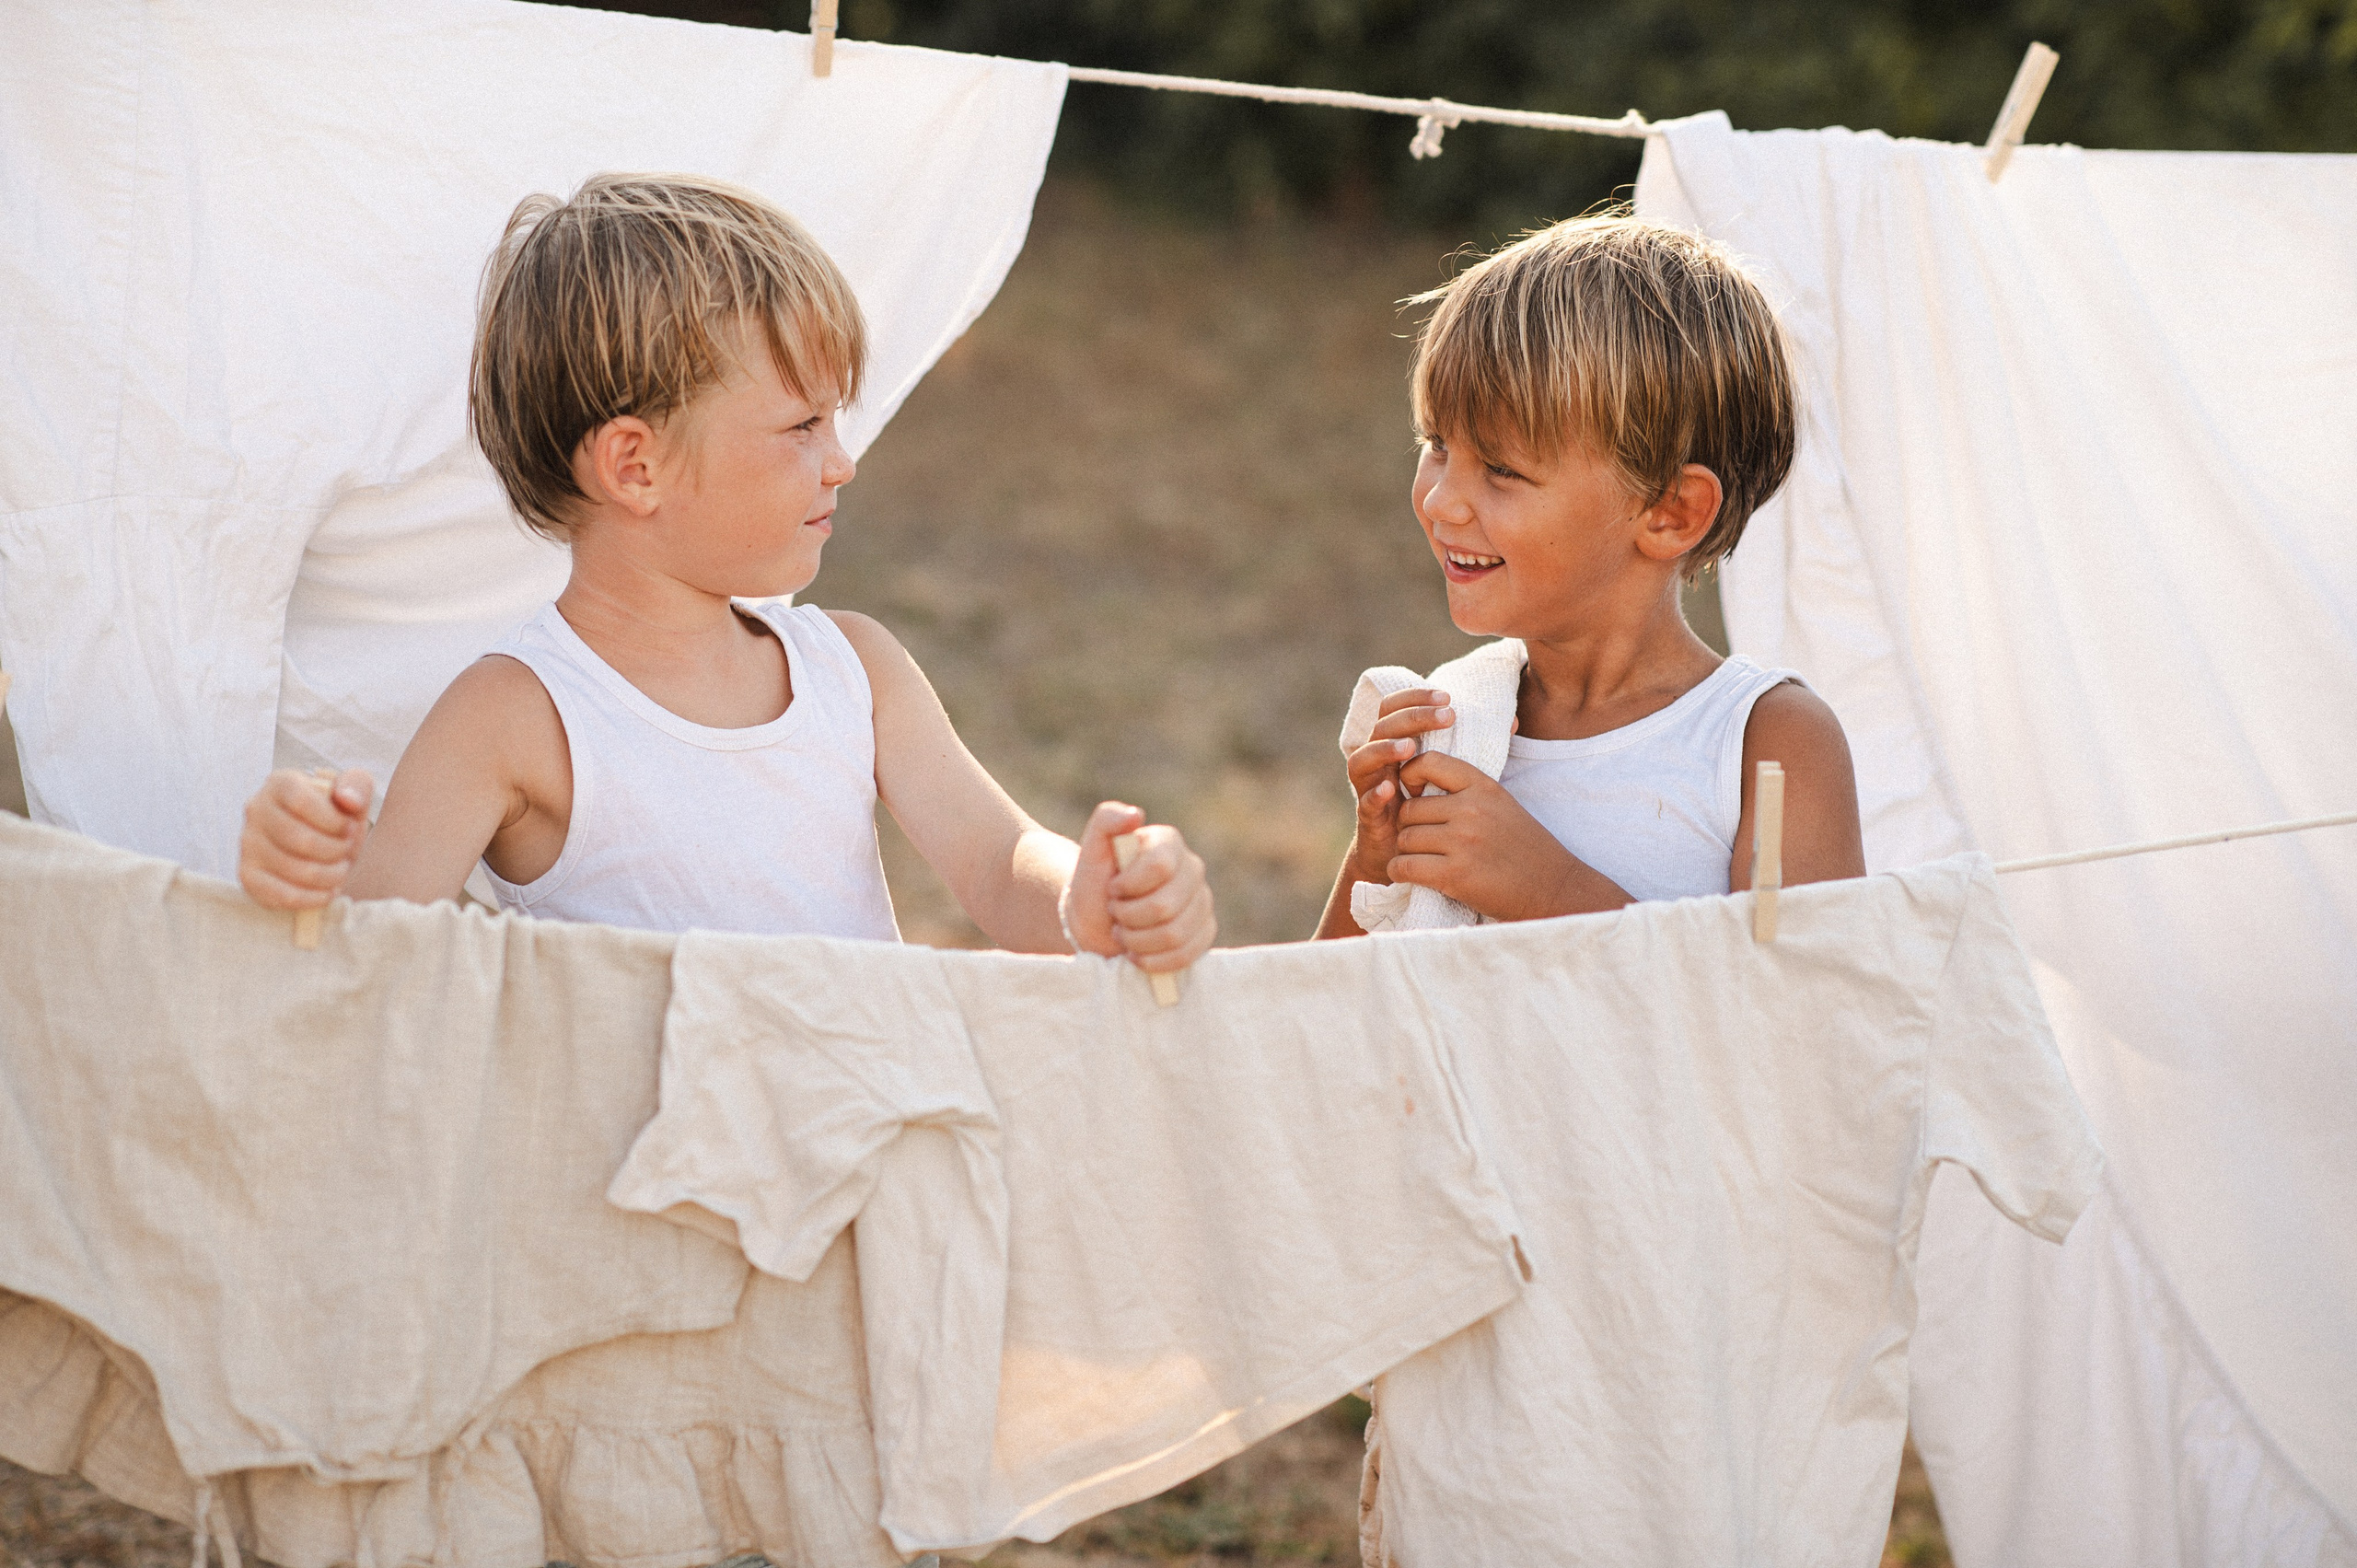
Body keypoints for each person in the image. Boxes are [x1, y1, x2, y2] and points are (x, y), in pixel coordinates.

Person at [238, 172, 1215, 973]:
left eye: (835, 419)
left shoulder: (853, 667)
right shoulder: (512, 714)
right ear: (636, 465)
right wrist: (306, 868)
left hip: (861, 1147)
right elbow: (364, 945)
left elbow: (998, 864)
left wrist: (1090, 897)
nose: (842, 460)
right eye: (801, 426)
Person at [1317, 213, 1862, 937]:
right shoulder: (1454, 723)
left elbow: (1804, 1023)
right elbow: (1324, 1020)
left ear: (1671, 511)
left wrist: (1550, 890)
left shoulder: (1769, 744)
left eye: (1503, 469)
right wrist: (1377, 863)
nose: (1442, 499)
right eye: (1436, 444)